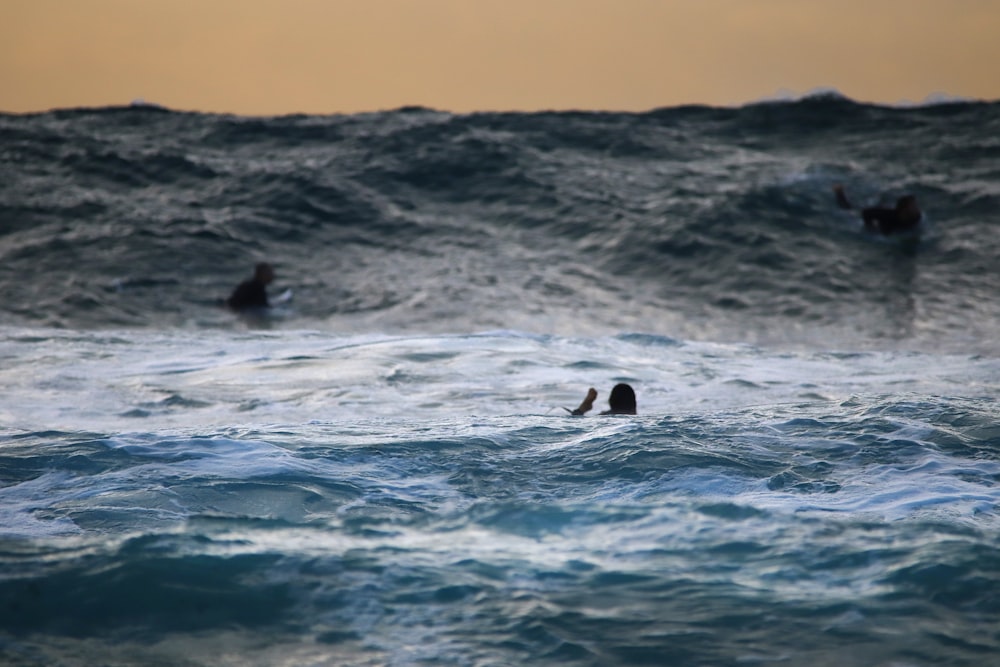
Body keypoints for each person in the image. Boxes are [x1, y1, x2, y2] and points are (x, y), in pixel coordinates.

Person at [833, 184, 922, 235]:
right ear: (904, 211)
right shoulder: (889, 216)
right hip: (873, 217)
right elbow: (866, 213)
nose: (916, 209)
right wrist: (870, 227)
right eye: (913, 207)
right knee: (848, 210)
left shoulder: (916, 217)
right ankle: (839, 192)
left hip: (884, 214)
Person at [566, 383, 637, 416]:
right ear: (634, 403)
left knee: (578, 418)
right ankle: (581, 410)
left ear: (610, 401)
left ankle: (581, 409)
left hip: (606, 418)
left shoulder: (603, 416)